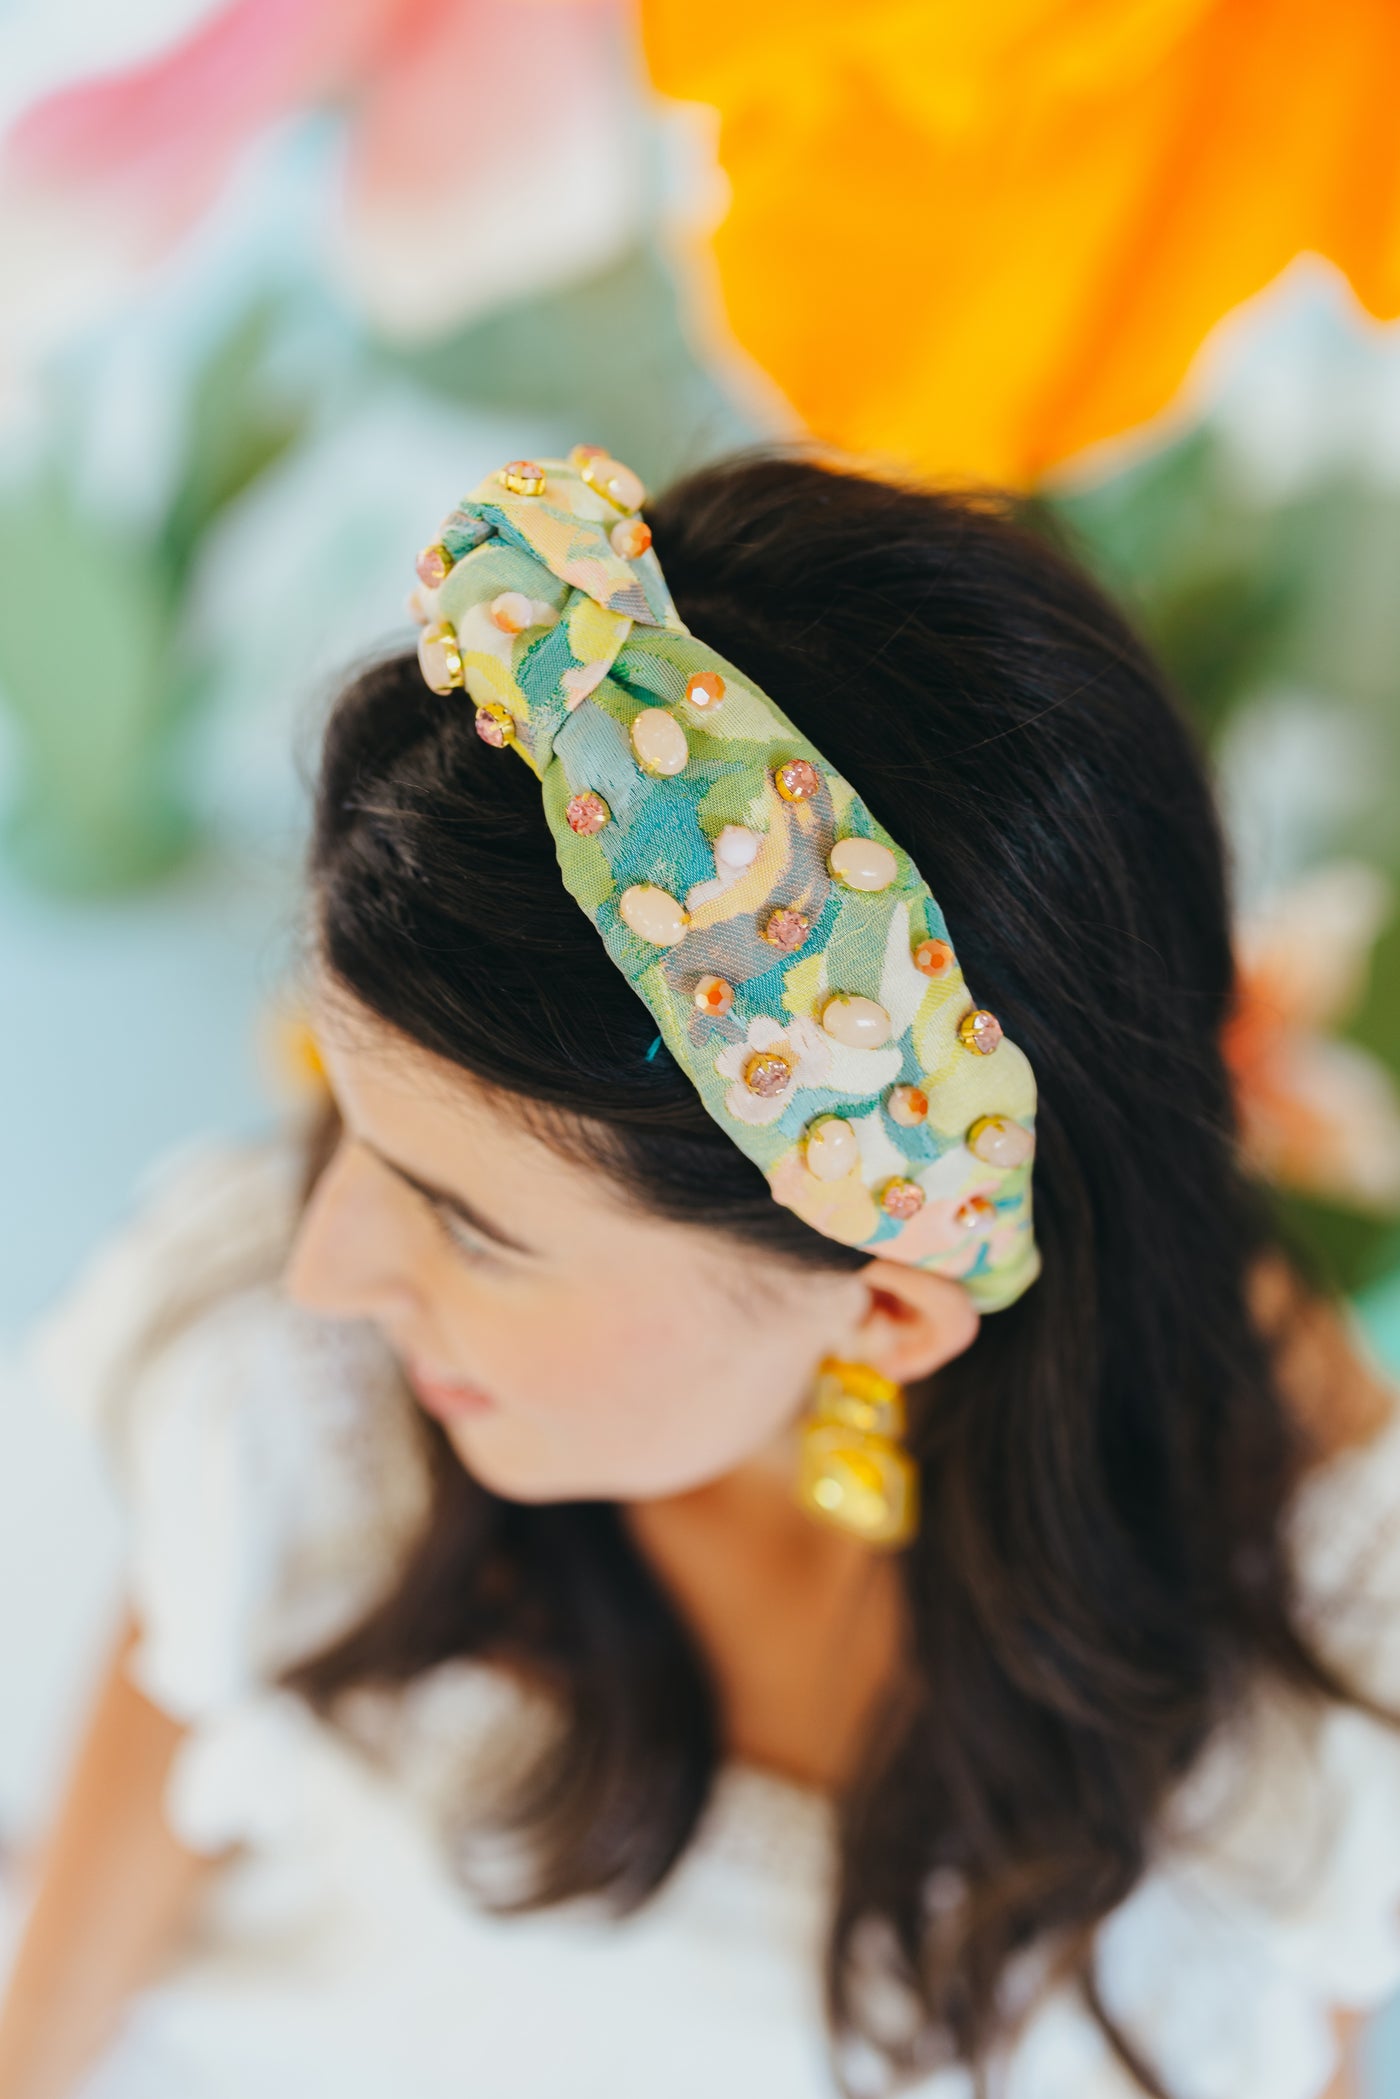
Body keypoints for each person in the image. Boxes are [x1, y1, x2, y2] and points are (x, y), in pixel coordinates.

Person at [0, 444, 1397, 2099]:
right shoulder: (310, 1395)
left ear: (884, 1307)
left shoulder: (1304, 1696)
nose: (320, 1271)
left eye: (471, 1224)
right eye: (341, 1123)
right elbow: (167, 1723)